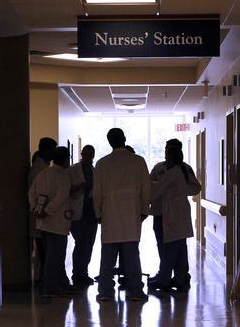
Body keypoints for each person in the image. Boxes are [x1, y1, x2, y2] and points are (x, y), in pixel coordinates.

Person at [93, 128, 150, 302]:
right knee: (132, 256)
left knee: (107, 257)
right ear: (124, 138)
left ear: (109, 142)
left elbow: (97, 192)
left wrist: (98, 213)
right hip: (132, 215)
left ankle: (105, 291)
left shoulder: (102, 164)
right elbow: (146, 188)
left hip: (109, 215)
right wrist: (144, 210)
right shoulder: (138, 161)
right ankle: (135, 291)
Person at [149, 139, 201, 289]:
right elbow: (151, 183)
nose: (166, 153)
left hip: (172, 214)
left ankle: (167, 278)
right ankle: (179, 279)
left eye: (168, 151)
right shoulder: (161, 167)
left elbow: (156, 190)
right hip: (163, 213)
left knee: (172, 249)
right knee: (174, 248)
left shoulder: (179, 170)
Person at [28, 146, 73, 298]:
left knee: (50, 255)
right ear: (66, 159)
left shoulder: (43, 173)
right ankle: (51, 287)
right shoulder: (63, 176)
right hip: (57, 223)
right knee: (55, 257)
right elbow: (60, 198)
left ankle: (59, 284)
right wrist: (47, 211)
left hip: (43, 223)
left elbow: (32, 192)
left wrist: (36, 209)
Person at [28, 137, 57, 285]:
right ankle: (44, 280)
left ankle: (43, 278)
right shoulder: (39, 170)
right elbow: (40, 194)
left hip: (41, 215)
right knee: (43, 250)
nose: (54, 153)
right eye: (53, 150)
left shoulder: (42, 168)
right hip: (41, 215)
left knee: (43, 250)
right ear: (46, 150)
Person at [68, 145, 97, 287]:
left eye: (91, 155)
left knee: (89, 244)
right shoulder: (72, 170)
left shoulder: (95, 171)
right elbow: (64, 189)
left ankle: (83, 273)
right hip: (78, 212)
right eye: (86, 154)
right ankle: (77, 274)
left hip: (91, 213)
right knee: (80, 244)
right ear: (82, 154)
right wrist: (78, 187)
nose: (88, 157)